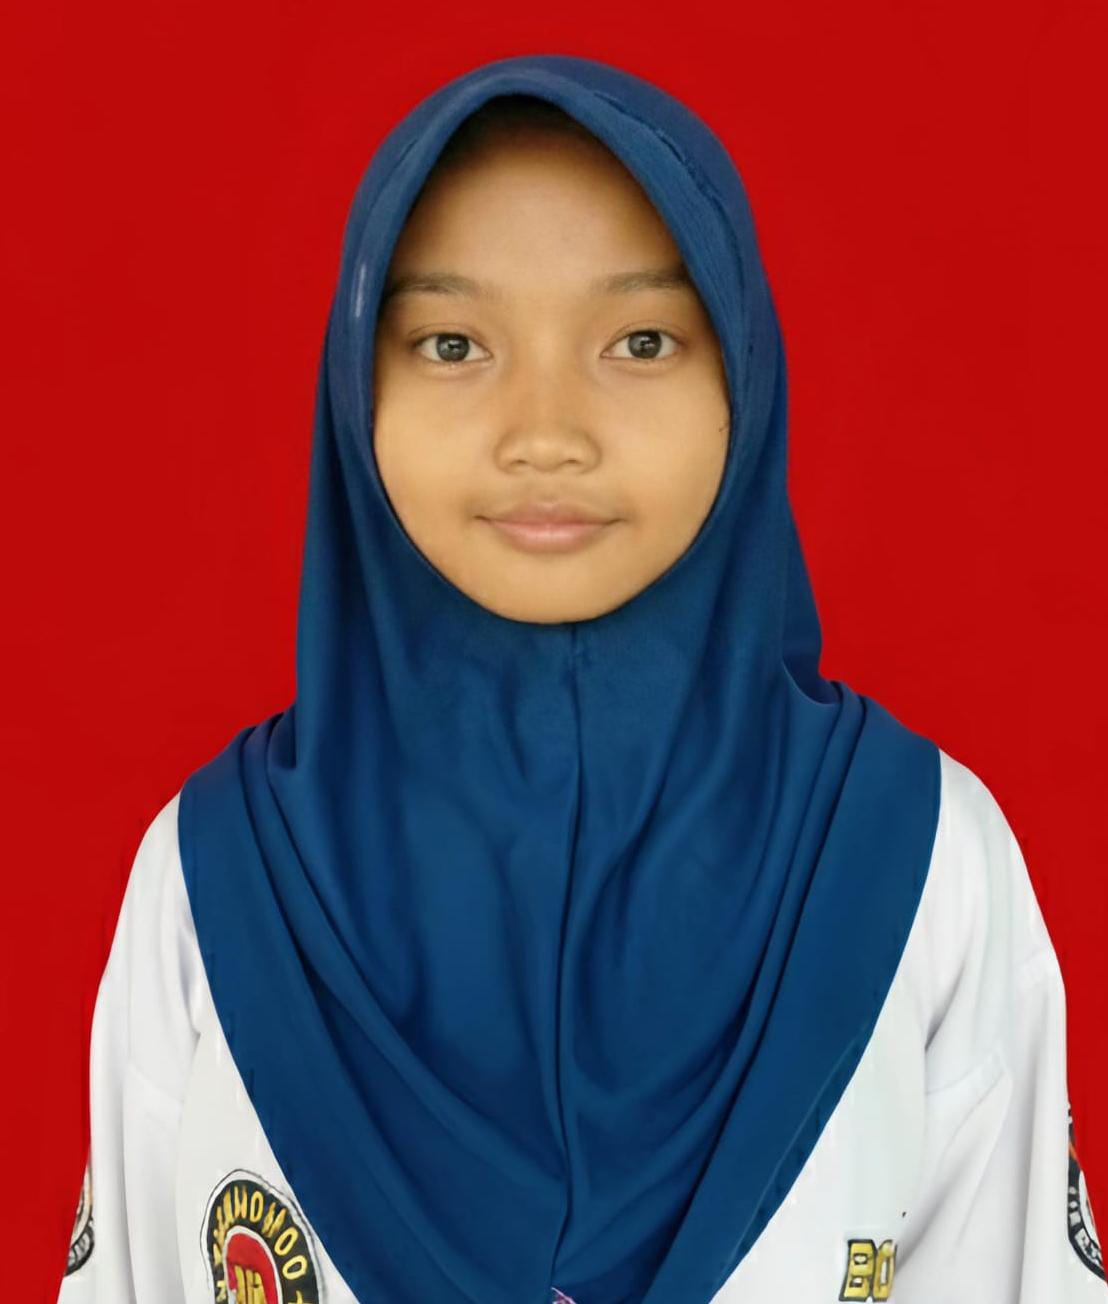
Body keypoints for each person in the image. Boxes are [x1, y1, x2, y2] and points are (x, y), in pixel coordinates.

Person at [56, 53, 1105, 1304]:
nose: (545, 432)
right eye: (452, 343)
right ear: (357, 384)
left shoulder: (920, 855)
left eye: (641, 340)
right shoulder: (214, 875)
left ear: (741, 378)